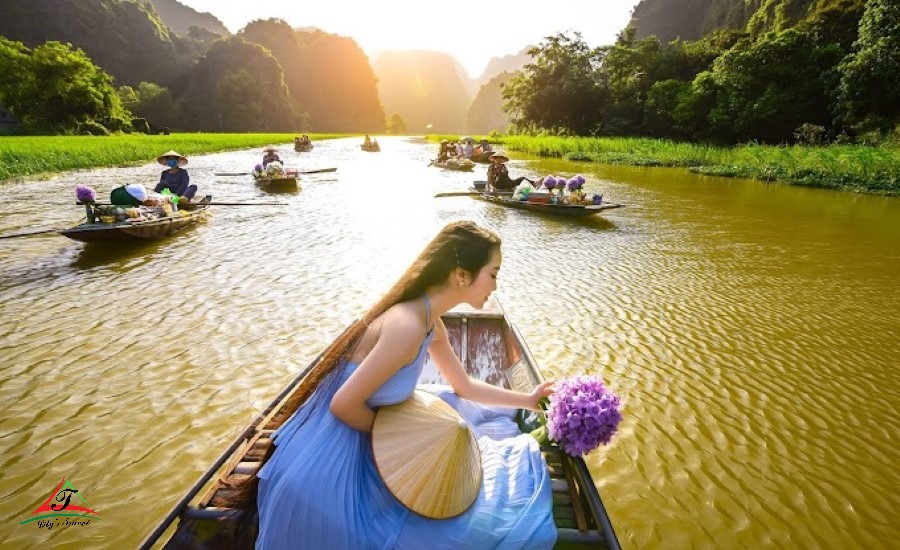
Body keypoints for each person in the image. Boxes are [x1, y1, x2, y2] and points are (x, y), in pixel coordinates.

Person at [254, 221, 557, 549]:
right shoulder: (408, 326)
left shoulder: (430, 322)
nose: (495, 286)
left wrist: (528, 399)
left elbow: (464, 386)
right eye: (493, 274)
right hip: (336, 457)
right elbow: (342, 405)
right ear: (461, 275)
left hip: (368, 442)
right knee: (467, 533)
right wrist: (403, 442)